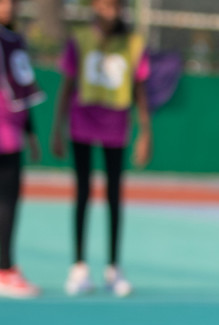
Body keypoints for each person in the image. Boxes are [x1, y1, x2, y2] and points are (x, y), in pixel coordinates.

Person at [50, 0, 151, 298]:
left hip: (116, 126)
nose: (111, 12)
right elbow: (67, 86)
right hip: (82, 123)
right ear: (95, 7)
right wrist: (58, 127)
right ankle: (79, 266)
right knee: (82, 192)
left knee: (114, 196)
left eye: (116, 6)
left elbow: (140, 90)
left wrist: (146, 131)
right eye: (105, 6)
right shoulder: (79, 40)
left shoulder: (133, 44)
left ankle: (113, 267)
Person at [0, 0, 42, 298]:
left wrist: (31, 132)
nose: (9, 5)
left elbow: (23, 89)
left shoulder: (15, 41)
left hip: (10, 135)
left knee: (8, 203)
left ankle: (4, 267)